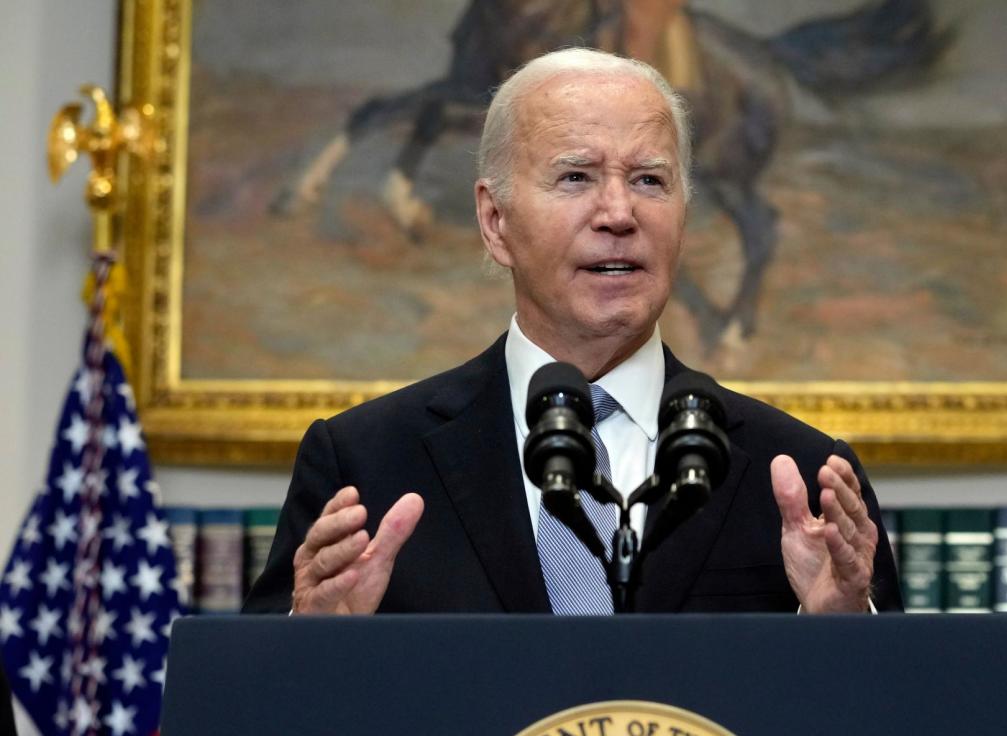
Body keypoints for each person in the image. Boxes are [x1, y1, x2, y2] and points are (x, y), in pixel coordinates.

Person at [244, 48, 902, 616]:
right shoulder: (366, 465)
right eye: (576, 177)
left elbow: (895, 714)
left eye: (649, 179)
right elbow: (258, 716)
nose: (619, 213)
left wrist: (842, 632)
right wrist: (315, 646)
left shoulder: (807, 480)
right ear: (495, 220)